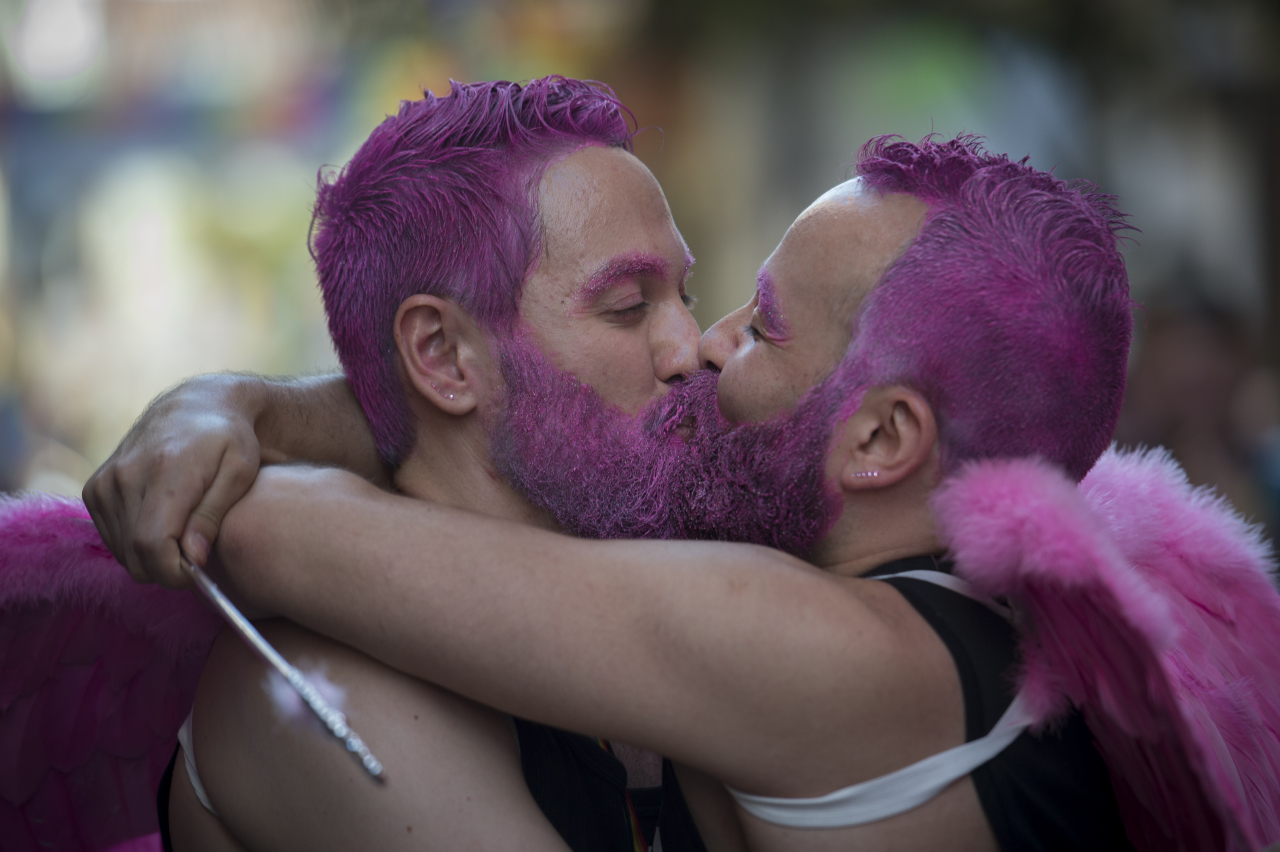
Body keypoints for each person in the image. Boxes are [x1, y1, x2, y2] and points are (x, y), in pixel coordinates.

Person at [98, 136, 1140, 849]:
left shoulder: (828, 648)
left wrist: (218, 423)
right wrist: (242, 407)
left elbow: (272, 529)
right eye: (637, 304)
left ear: (877, 438)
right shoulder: (951, 611)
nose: (702, 345)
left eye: (760, 326)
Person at [87, 75, 706, 852]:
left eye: (687, 292)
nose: (696, 349)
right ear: (442, 355)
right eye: (627, 305)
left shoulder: (664, 555)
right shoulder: (308, 682)